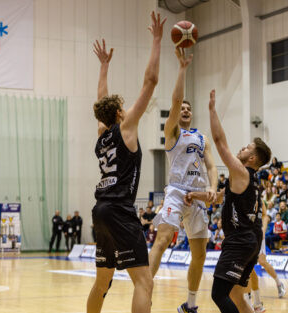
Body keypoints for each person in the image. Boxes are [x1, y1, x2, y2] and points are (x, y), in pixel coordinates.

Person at [87, 12, 165, 313]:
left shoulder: (101, 134)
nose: (126, 107)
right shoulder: (126, 127)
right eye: (122, 106)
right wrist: (157, 40)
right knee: (144, 282)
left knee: (102, 282)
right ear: (120, 114)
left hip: (100, 210)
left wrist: (104, 68)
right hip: (119, 209)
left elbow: (101, 102)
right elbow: (151, 80)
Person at [185, 90, 271, 313]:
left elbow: (220, 142)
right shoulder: (247, 180)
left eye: (247, 148)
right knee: (236, 295)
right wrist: (195, 195)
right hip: (250, 240)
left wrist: (212, 111)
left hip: (240, 241)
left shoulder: (242, 172)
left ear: (252, 158)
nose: (242, 148)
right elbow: (219, 198)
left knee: (218, 294)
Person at [148, 48, 218, 313]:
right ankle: (145, 287)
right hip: (177, 192)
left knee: (199, 254)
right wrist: (182, 68)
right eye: (182, 108)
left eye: (189, 108)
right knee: (163, 239)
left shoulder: (202, 138)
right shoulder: (172, 132)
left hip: (198, 196)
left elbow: (211, 165)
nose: (185, 109)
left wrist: (212, 187)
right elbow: (176, 100)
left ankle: (190, 303)